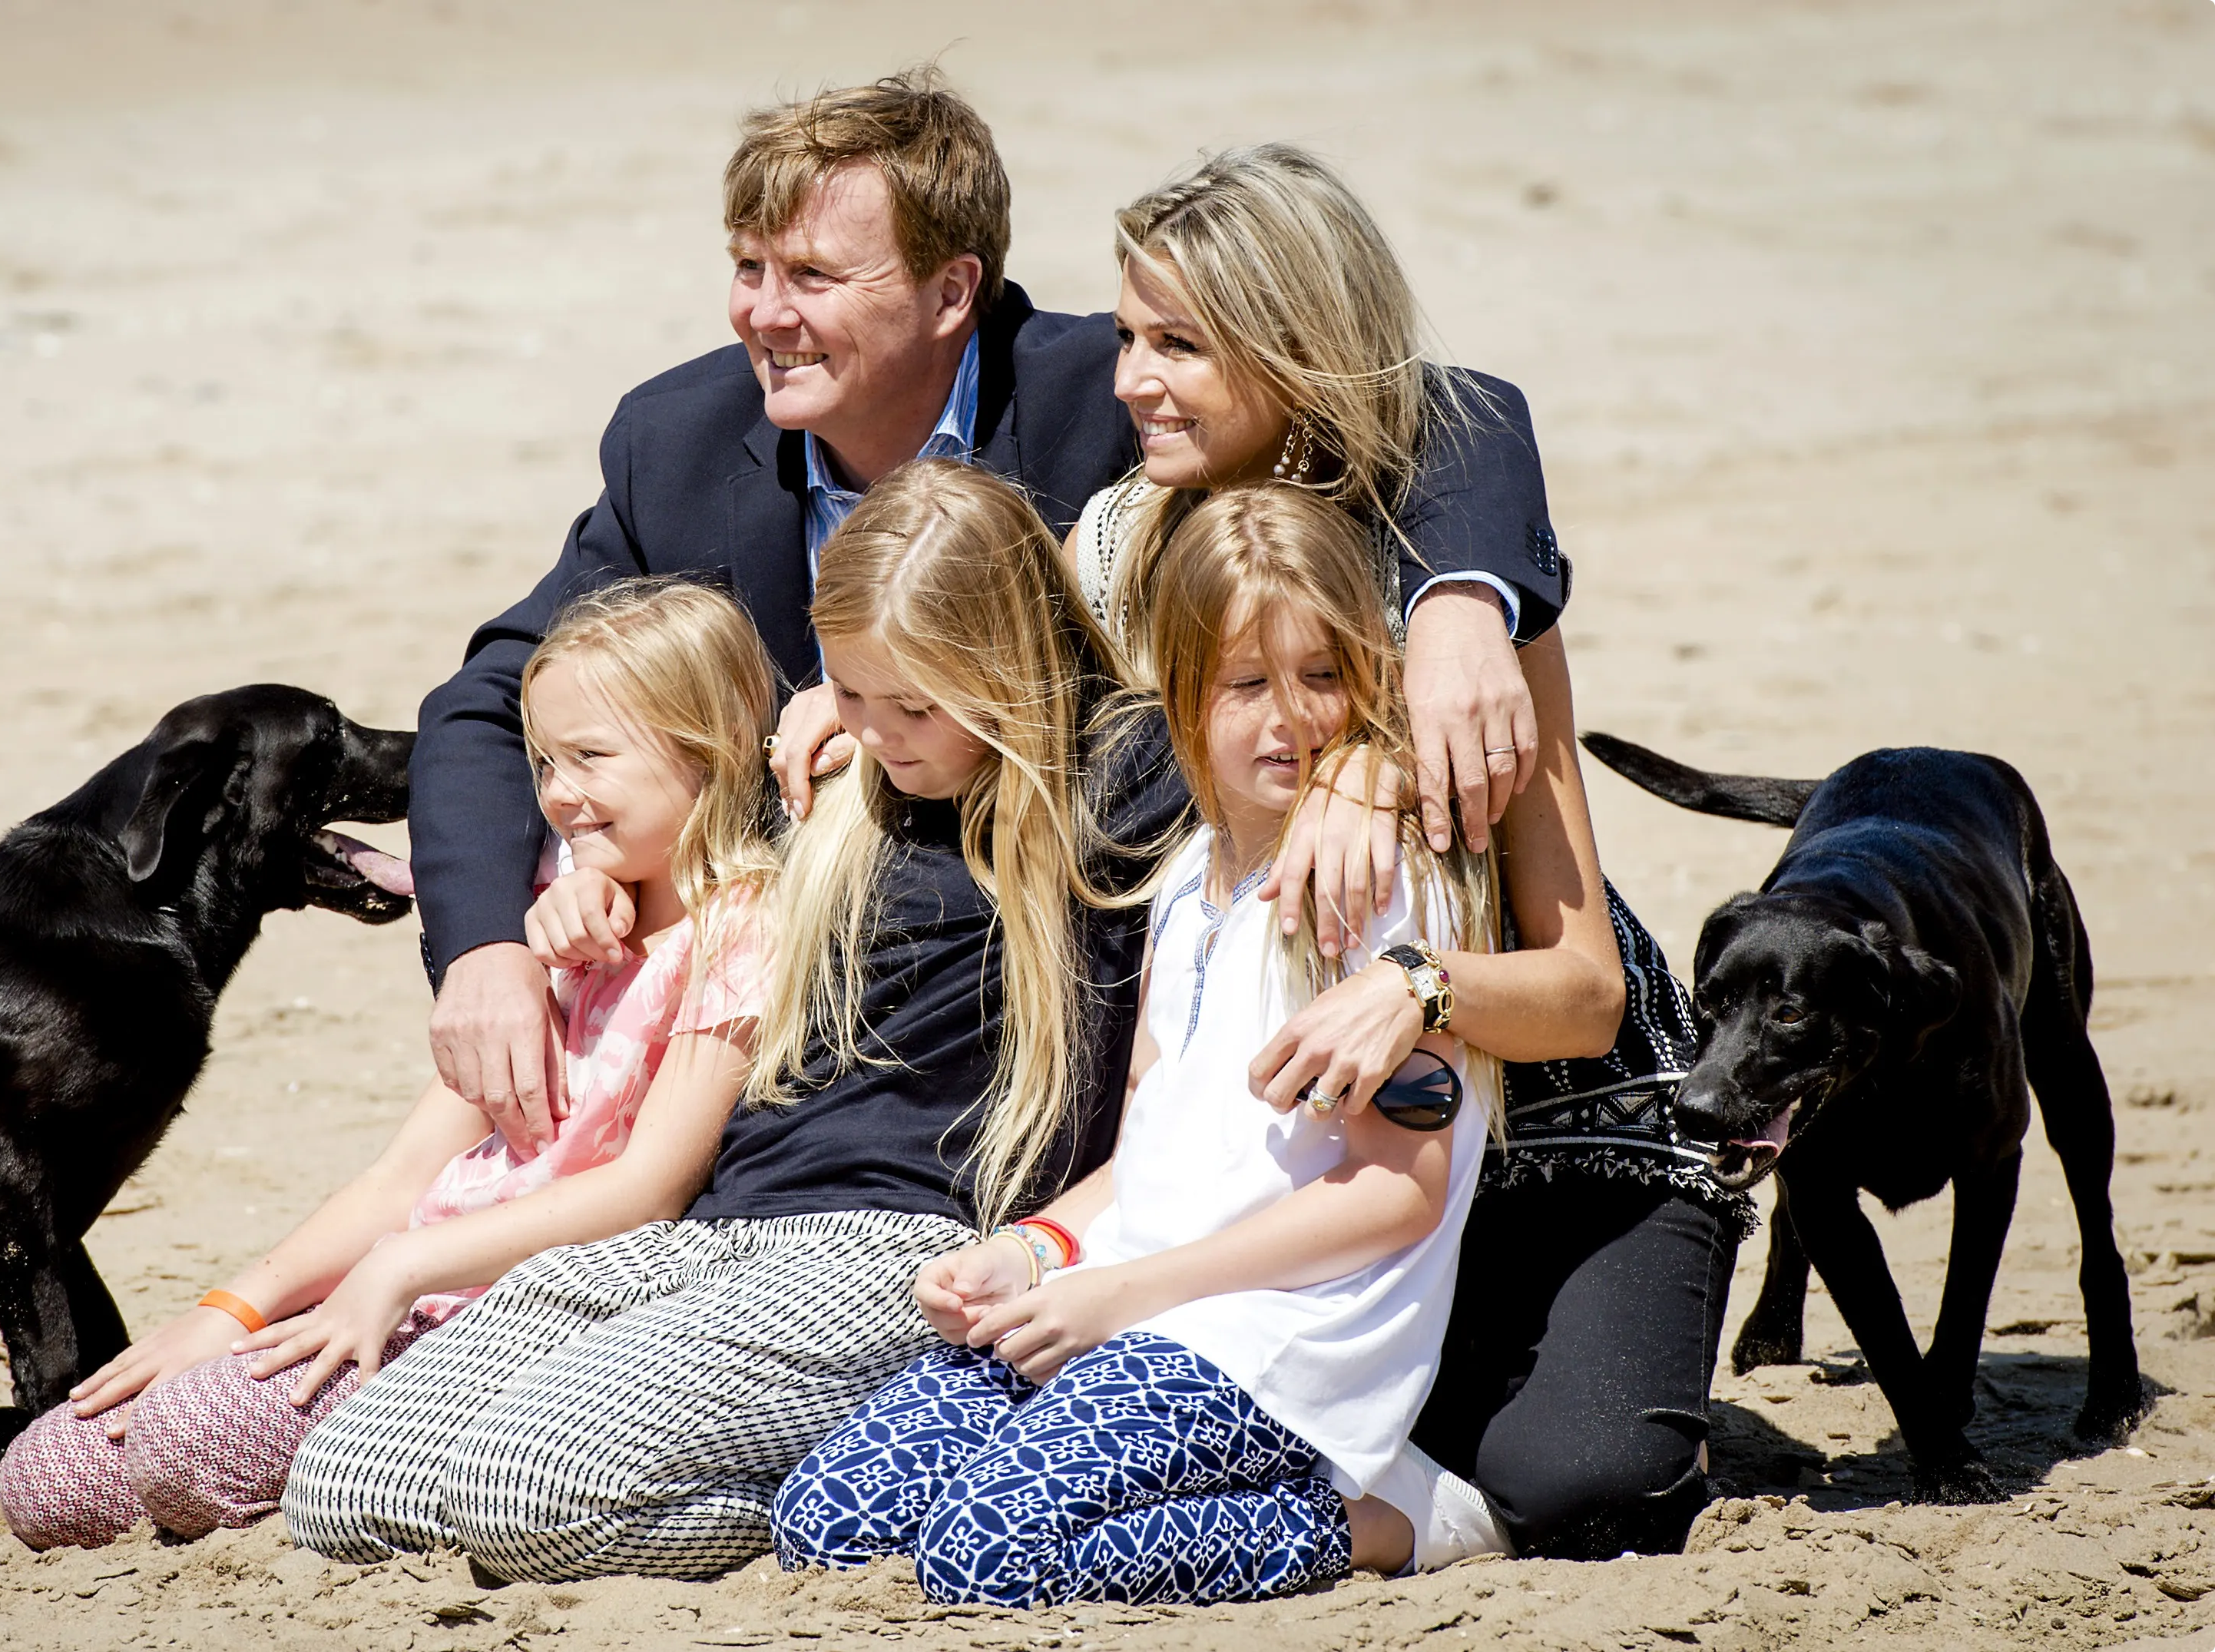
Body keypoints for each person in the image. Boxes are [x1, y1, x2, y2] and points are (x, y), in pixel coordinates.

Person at [407, 68, 1568, 1172]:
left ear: (952, 290)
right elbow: (494, 695)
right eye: (747, 266)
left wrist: (1463, 604)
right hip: (784, 1001)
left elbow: (1430, 407)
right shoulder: (677, 442)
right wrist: (485, 947)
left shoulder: (1111, 394)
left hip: (1086, 1008)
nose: (764, 313)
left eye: (811, 273)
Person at [278, 460, 1185, 1582]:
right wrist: (585, 884)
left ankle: (818, 1503)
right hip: (722, 1218)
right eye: (852, 693)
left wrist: (1352, 790)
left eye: (915, 704)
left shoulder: (1119, 773)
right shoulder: (843, 781)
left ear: (1008, 666)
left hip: (901, 1234)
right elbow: (687, 831)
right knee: (345, 1483)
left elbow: (1274, 759)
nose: (880, 732)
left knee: (532, 1494)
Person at [1069, 144, 1753, 1559]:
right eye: (1130, 336)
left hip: (1561, 1127)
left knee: (1579, 1482)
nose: (1130, 378)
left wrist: (1418, 972)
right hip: (1322, 1159)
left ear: (1293, 348)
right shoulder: (1130, 541)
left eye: (1179, 345)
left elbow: (1584, 990)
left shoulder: (1452, 591)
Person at [774, 482, 1521, 1606]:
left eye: (1322, 675)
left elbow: (1396, 1194)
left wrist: (1127, 1295)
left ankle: (1383, 1518)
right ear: (1179, 691)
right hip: (1128, 1294)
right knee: (830, 1516)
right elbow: (1149, 1153)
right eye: (1246, 685)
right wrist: (1033, 1249)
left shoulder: (1375, 886)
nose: (1289, 719)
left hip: (1271, 1334)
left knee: (986, 1553)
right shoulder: (1179, 884)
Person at [0, 579, 779, 1549]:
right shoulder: (553, 912)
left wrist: (401, 1269)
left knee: (187, 1445)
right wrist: (229, 1311)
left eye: (591, 757)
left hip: (518, 1304)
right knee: (49, 1478)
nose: (557, 794)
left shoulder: (741, 930)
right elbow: (406, 1173)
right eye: (543, 761)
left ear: (713, 747)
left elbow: (647, 1189)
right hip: (409, 1281)